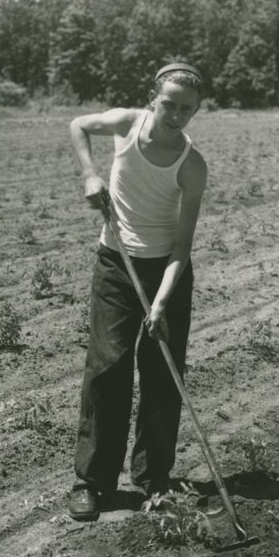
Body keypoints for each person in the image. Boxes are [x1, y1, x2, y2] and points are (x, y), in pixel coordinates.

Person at [67, 62, 208, 521]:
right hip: (115, 264)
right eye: (169, 104)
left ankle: (154, 481)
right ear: (154, 98)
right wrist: (90, 175)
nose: (175, 116)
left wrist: (163, 300)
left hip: (165, 273)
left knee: (162, 376)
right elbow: (79, 126)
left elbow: (182, 248)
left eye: (186, 109)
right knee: (107, 367)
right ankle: (92, 482)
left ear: (196, 111)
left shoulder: (192, 167)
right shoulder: (128, 125)